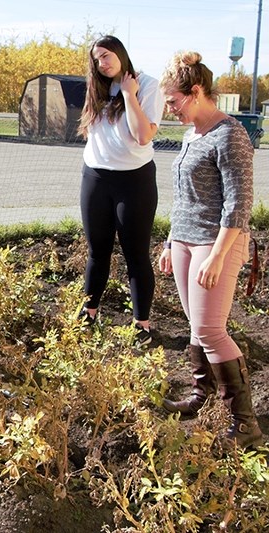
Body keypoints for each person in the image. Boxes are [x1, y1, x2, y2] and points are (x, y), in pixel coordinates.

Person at [158, 52, 262, 448]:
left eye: (173, 101)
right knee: (196, 325)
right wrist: (170, 241)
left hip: (215, 242)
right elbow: (183, 198)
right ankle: (202, 397)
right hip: (185, 240)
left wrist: (218, 255)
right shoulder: (192, 135)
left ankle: (245, 423)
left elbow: (239, 203)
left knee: (210, 329)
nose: (170, 109)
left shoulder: (230, 134)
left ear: (196, 92)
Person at [77, 35, 165, 346]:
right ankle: (88, 312)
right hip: (96, 179)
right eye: (97, 59)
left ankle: (142, 324)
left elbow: (143, 136)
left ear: (120, 52)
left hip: (134, 181)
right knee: (97, 251)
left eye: (106, 55)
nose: (103, 62)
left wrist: (129, 94)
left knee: (136, 254)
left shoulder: (148, 85)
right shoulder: (96, 87)